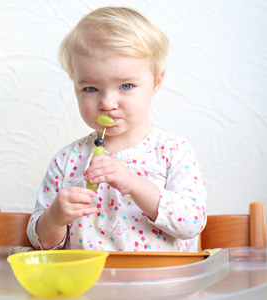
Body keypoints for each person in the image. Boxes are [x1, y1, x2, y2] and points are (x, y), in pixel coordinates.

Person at [27, 6, 207, 252]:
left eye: (126, 86)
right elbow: (44, 245)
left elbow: (192, 223)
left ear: (156, 82)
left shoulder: (173, 152)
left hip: (161, 285)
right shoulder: (67, 160)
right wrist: (56, 217)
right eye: (91, 88)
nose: (107, 104)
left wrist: (131, 182)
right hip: (89, 287)